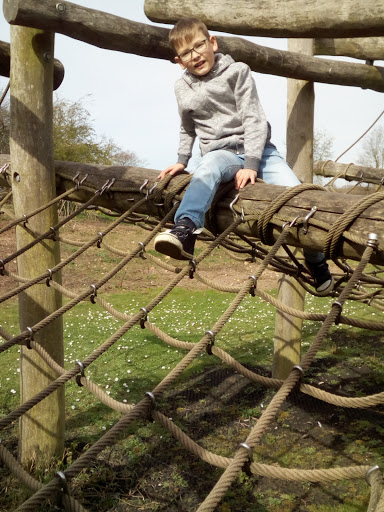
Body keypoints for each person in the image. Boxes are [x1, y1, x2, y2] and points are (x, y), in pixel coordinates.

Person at [154, 18, 333, 296]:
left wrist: (251, 164)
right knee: (206, 169)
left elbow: (254, 119)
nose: (196, 55)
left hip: (260, 152)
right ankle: (185, 229)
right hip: (220, 153)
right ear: (179, 61)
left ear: (212, 43)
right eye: (187, 52)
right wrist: (181, 159)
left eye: (199, 45)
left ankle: (315, 259)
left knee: (297, 195)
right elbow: (187, 127)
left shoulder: (237, 71)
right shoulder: (182, 88)